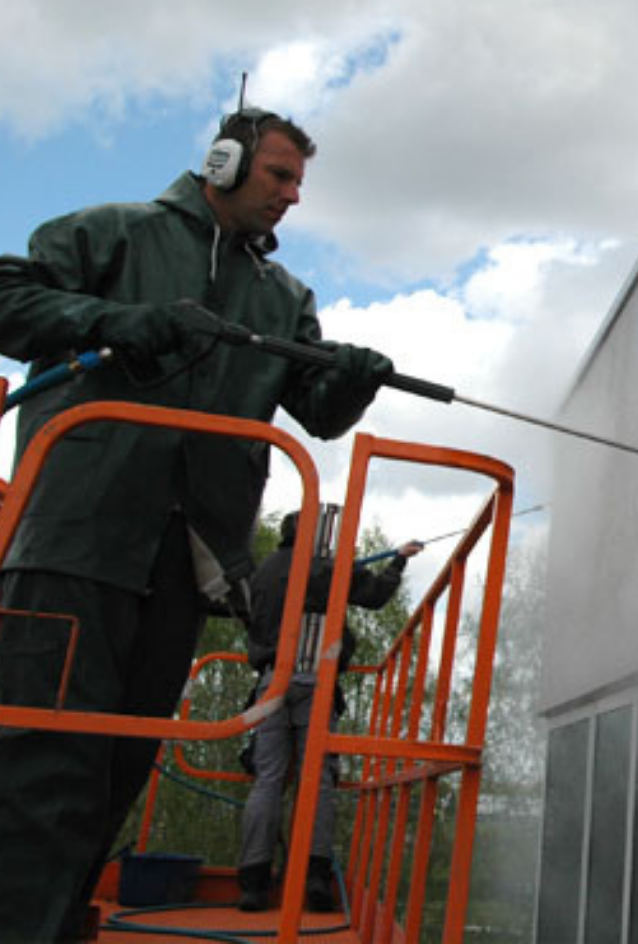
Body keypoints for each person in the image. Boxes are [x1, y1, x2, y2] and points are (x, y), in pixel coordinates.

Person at [0, 107, 395, 943]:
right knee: (40, 765)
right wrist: (114, 321)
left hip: (189, 565)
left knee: (117, 768)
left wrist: (355, 380)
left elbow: (318, 412)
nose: (292, 196)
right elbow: (7, 298)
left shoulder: (284, 298)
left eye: (298, 182)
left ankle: (54, 924)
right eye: (279, 175)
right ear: (223, 163)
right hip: (77, 541)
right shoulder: (114, 235)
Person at [237, 510, 423, 913]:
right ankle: (315, 877)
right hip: (315, 684)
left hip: (271, 682)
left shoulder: (265, 571)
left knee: (267, 780)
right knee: (317, 781)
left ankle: (253, 884)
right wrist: (400, 560)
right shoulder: (325, 568)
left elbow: (250, 619)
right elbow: (374, 597)